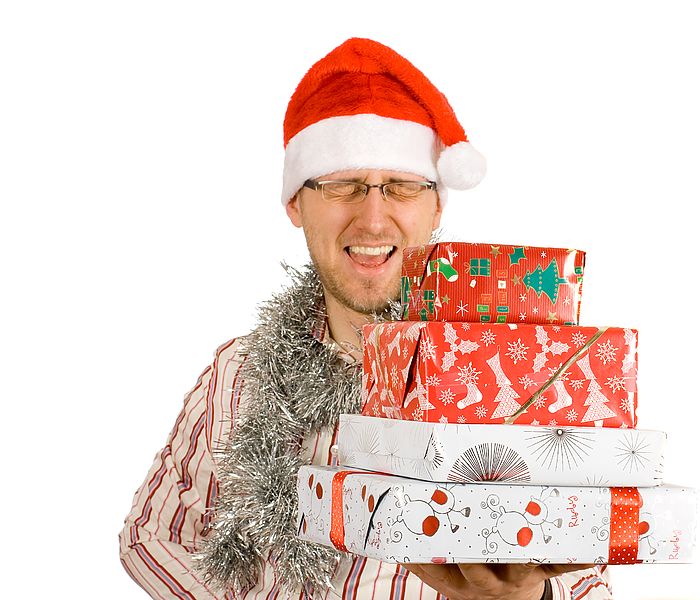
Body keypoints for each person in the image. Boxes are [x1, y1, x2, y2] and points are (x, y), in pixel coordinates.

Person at [119, 38, 614, 600]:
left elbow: (587, 580)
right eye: (341, 184)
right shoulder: (238, 370)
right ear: (295, 204)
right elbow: (151, 536)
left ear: (437, 206)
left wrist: (525, 598)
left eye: (402, 186)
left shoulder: (519, 377)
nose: (373, 219)